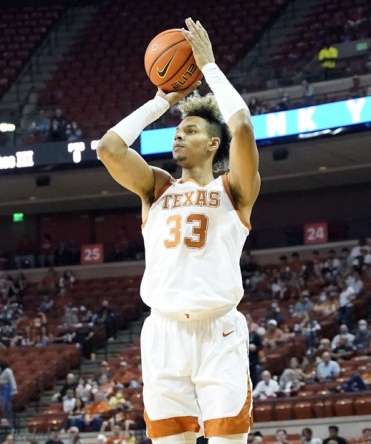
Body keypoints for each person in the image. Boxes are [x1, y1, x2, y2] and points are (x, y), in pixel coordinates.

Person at [96, 18, 258, 442]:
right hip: (164, 332)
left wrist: (209, 68)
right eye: (177, 130)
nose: (178, 136)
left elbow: (241, 126)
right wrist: (161, 103)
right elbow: (109, 148)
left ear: (212, 145)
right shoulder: (156, 187)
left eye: (190, 130)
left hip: (218, 332)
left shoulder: (234, 190)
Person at [0, 359, 17, 427]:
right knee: (3, 406)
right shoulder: (0, 371)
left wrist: (14, 390)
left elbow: (12, 380)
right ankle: (6, 421)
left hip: (8, 388)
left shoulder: (8, 371)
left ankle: (11, 421)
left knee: (8, 405)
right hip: (3, 389)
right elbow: (1, 380)